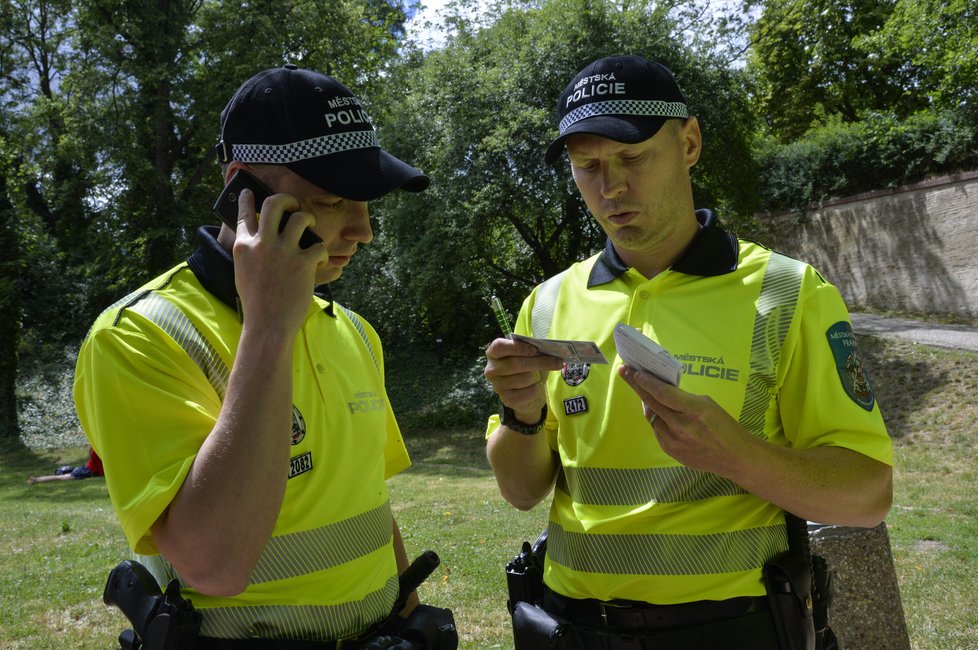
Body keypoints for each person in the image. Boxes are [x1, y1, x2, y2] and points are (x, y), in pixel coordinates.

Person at [483, 55, 893, 648]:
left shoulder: (788, 292)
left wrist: (735, 454)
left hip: (729, 630)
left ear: (690, 142)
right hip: (572, 627)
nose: (610, 186)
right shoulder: (546, 305)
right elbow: (522, 493)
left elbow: (868, 495)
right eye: (587, 165)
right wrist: (522, 417)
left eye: (632, 157)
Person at [74, 64, 455, 648]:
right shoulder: (136, 338)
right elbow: (213, 562)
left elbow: (369, 508)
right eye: (331, 200)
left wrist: (410, 614)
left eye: (366, 202)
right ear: (241, 191)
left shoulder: (353, 330)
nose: (363, 230)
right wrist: (269, 328)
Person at [27, 446, 104, 485]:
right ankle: (36, 479)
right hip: (86, 471)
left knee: (61, 477)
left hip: (86, 469)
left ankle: (36, 479)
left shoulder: (97, 451)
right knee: (62, 477)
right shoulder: (96, 452)